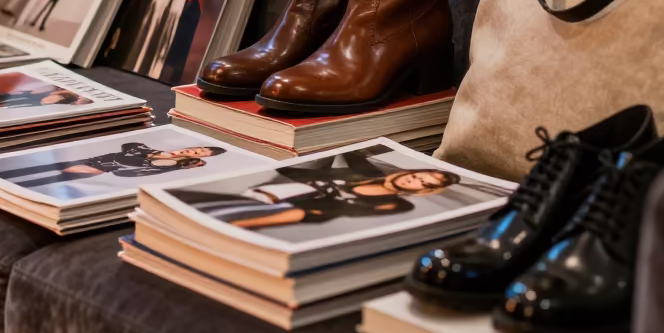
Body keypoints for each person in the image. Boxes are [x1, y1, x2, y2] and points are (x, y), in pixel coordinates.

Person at [171, 149, 503, 230]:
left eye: (425, 185)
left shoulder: (393, 206)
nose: (415, 180)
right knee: (187, 207)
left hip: (280, 211)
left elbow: (321, 213)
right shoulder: (360, 173)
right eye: (421, 176)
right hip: (256, 194)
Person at [0, 142, 226, 189]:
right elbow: (129, 146)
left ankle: (12, 188)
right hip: (87, 160)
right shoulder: (156, 149)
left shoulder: (166, 166)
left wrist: (102, 169)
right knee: (27, 169)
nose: (192, 151)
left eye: (197, 154)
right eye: (196, 148)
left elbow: (129, 173)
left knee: (39, 180)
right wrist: (155, 153)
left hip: (95, 168)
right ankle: (1, 177)